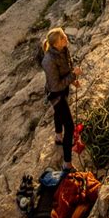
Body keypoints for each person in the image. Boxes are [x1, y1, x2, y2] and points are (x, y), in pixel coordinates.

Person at [42, 27, 82, 171]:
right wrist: (73, 76)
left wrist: (72, 80)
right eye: (63, 38)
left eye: (64, 36)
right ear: (56, 44)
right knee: (69, 126)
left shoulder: (64, 50)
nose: (66, 39)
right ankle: (67, 163)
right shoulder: (48, 61)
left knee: (58, 114)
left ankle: (59, 137)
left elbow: (67, 68)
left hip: (63, 90)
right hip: (56, 94)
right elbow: (55, 86)